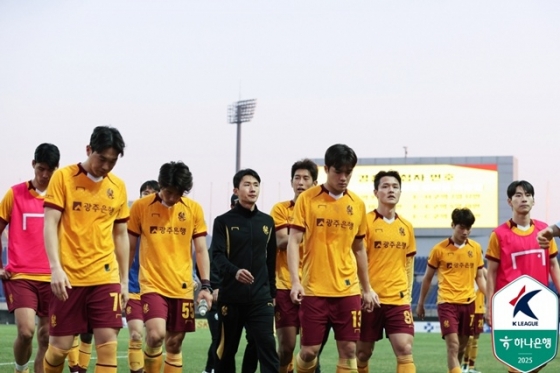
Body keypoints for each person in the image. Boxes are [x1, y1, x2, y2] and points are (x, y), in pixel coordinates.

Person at [43, 126, 130, 373]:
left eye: (112, 162)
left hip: (105, 276)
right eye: (101, 159)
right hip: (69, 278)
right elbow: (50, 223)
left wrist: (124, 282)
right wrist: (55, 268)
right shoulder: (63, 177)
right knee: (59, 350)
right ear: (89, 149)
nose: (106, 166)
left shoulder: (118, 186)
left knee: (108, 345)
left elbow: (121, 235)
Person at [287, 144, 379, 373]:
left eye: (349, 172)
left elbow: (359, 249)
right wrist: (296, 282)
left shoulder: (357, 204)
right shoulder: (307, 199)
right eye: (338, 171)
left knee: (349, 350)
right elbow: (292, 241)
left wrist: (366, 288)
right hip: (314, 288)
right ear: (326, 169)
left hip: (347, 291)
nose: (344, 177)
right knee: (309, 352)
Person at [127, 161, 212, 373]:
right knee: (155, 335)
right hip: (151, 284)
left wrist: (205, 285)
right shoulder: (140, 207)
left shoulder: (193, 210)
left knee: (175, 344)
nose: (172, 198)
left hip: (181, 286)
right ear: (160, 184)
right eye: (168, 192)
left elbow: (200, 250)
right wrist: (121, 281)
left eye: (178, 193)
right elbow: (129, 248)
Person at [486, 180, 560, 373]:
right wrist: (489, 305)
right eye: (518, 195)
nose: (524, 199)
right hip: (510, 305)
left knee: (540, 358)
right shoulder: (499, 235)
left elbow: (553, 265)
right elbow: (491, 272)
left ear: (534, 201)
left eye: (527, 195)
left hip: (540, 304)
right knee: (518, 361)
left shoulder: (545, 231)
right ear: (510, 202)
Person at [211, 169, 279, 373]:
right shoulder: (223, 221)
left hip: (261, 299)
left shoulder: (267, 222)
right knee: (226, 351)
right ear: (236, 189)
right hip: (231, 297)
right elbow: (217, 255)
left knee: (267, 347)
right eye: (247, 184)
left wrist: (272, 293)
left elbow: (271, 260)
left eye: (256, 185)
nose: (252, 189)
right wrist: (235, 272)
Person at [0, 143, 60, 373]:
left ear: (57, 168)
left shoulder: (62, 198)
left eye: (50, 170)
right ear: (33, 165)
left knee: (46, 337)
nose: (45, 175)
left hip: (53, 278)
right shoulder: (15, 194)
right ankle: (20, 368)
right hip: (21, 275)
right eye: (41, 169)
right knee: (26, 332)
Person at [357, 170, 416, 373]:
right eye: (385, 186)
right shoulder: (365, 222)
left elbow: (409, 264)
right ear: (376, 192)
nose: (391, 190)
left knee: (405, 349)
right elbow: (357, 257)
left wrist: (407, 295)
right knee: (363, 353)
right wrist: (364, 290)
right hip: (369, 298)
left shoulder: (406, 227)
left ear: (400, 191)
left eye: (395, 186)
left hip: (398, 299)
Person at [416, 208, 486, 373]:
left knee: (462, 346)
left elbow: (480, 277)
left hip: (469, 303)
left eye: (468, 228)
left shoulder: (475, 248)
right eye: (461, 227)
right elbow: (427, 278)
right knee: (453, 345)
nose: (465, 231)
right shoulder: (439, 250)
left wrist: (491, 298)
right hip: (447, 303)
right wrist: (421, 303)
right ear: (452, 225)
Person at [270, 159, 320, 373]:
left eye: (306, 178)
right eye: (297, 178)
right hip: (285, 284)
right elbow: (281, 241)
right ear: (291, 182)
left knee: (310, 349)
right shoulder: (281, 209)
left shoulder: (322, 210)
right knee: (286, 347)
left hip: (315, 286)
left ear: (315, 182)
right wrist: (304, 230)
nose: (301, 182)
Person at [203, 194, 259, 373]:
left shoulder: (258, 226)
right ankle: (209, 369)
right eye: (236, 203)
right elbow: (214, 261)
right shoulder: (222, 226)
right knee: (224, 343)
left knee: (257, 340)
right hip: (226, 295)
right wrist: (216, 286)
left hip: (253, 297)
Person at [124, 180, 160, 373]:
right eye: (144, 192)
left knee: (155, 338)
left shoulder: (163, 223)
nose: (147, 196)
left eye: (153, 193)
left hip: (156, 288)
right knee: (137, 335)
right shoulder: (129, 221)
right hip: (133, 287)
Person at [461, 267, 487, 373]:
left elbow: (490, 277)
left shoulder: (483, 273)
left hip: (480, 310)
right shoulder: (467, 271)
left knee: (475, 339)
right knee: (468, 339)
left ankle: (471, 367)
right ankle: (464, 365)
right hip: (469, 308)